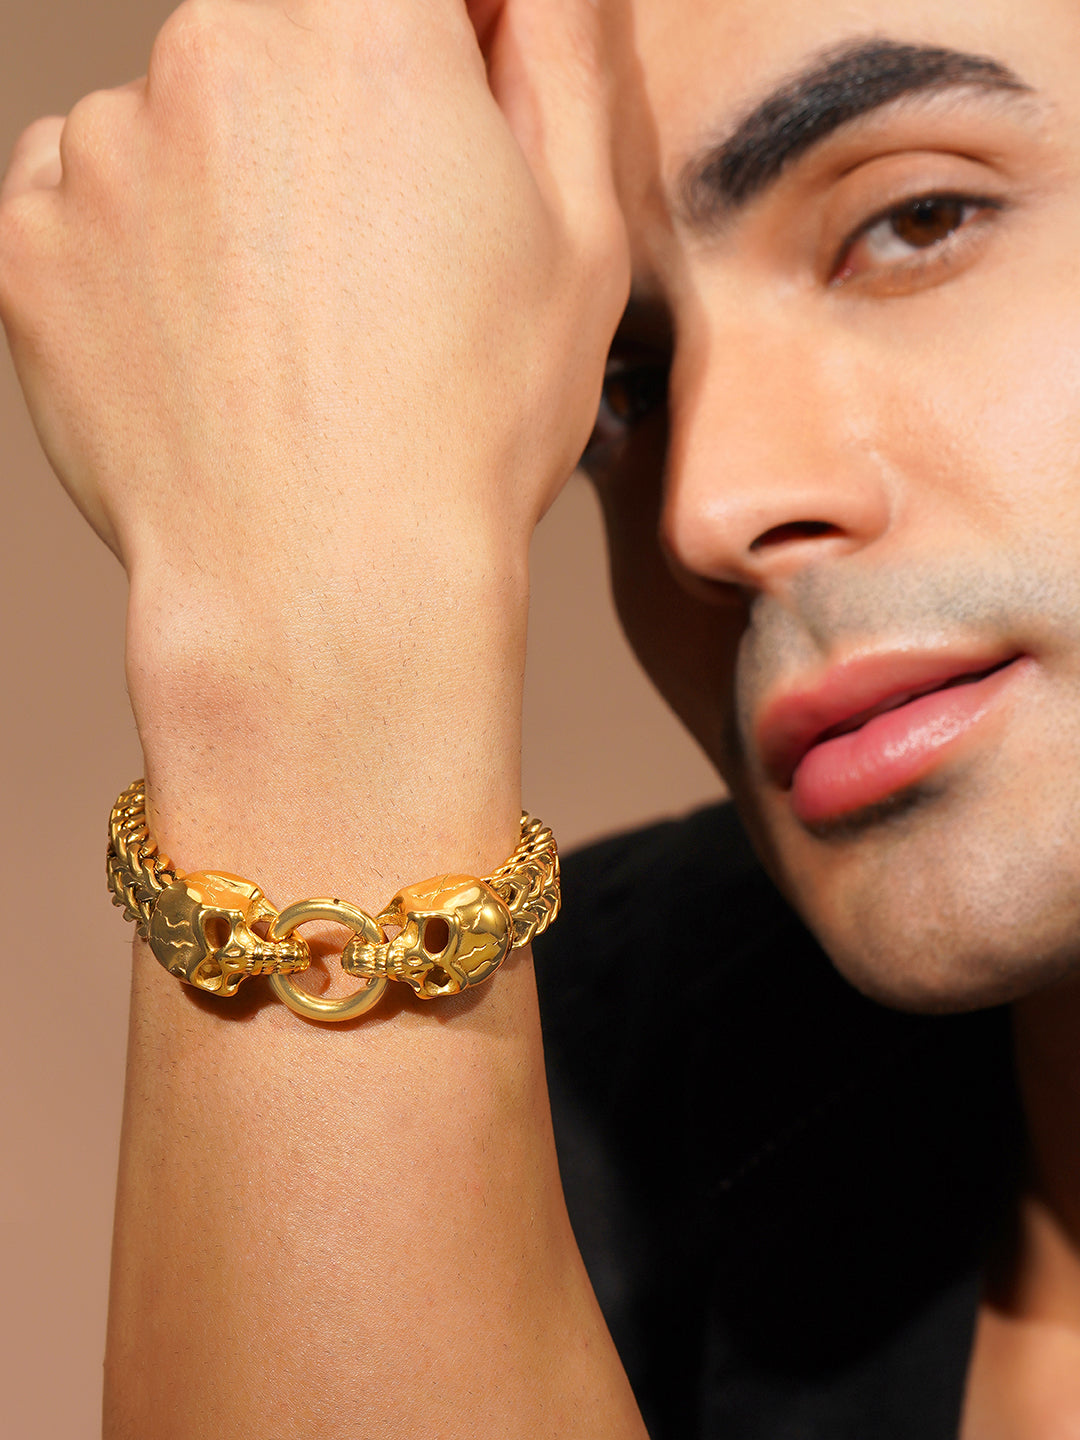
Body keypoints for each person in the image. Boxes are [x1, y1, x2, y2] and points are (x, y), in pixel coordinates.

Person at [0, 2, 1077, 1440]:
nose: (706, 508)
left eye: (915, 221)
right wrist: (290, 624)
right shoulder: (568, 1092)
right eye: (622, 392)